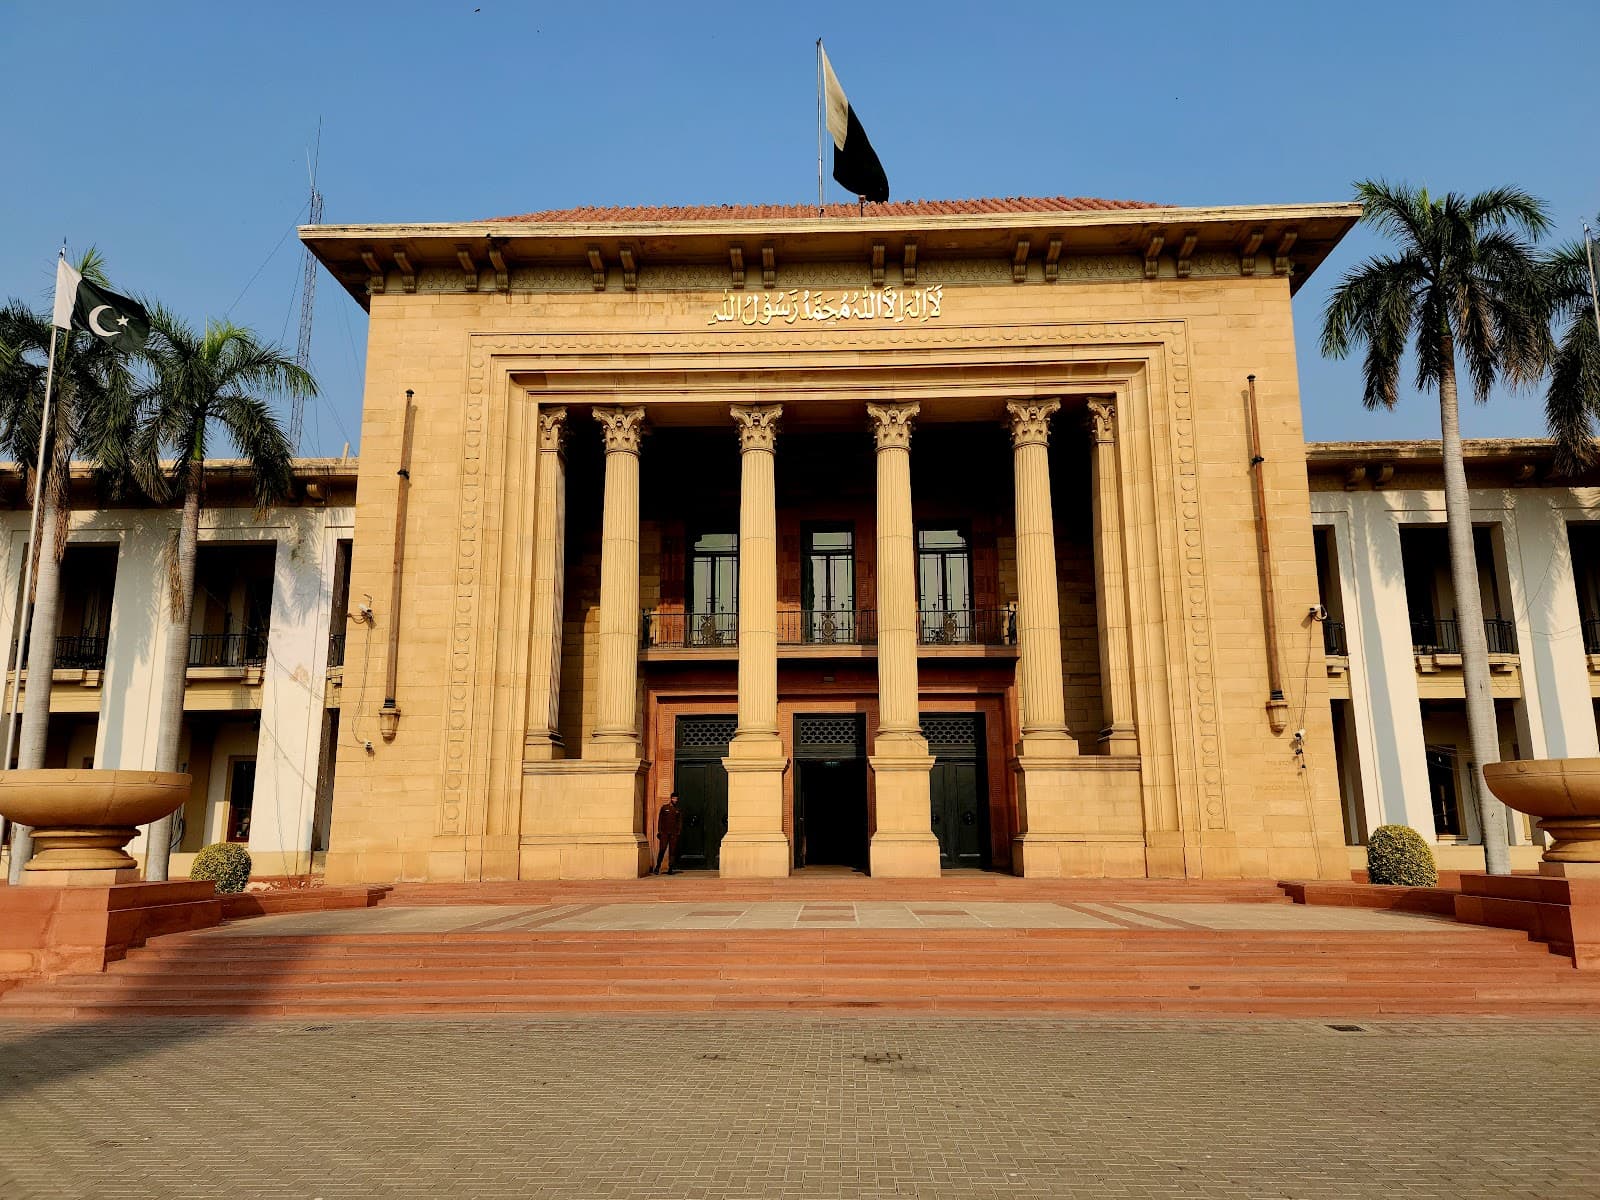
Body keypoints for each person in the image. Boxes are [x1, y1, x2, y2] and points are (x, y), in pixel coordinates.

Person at [653, 792, 683, 875]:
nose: (675, 800)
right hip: (665, 833)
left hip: (673, 834)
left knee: (672, 851)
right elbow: (660, 820)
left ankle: (670, 868)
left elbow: (679, 822)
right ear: (671, 798)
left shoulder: (678, 810)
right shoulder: (664, 808)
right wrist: (660, 831)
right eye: (674, 798)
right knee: (662, 849)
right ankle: (657, 867)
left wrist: (678, 832)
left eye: (676, 799)